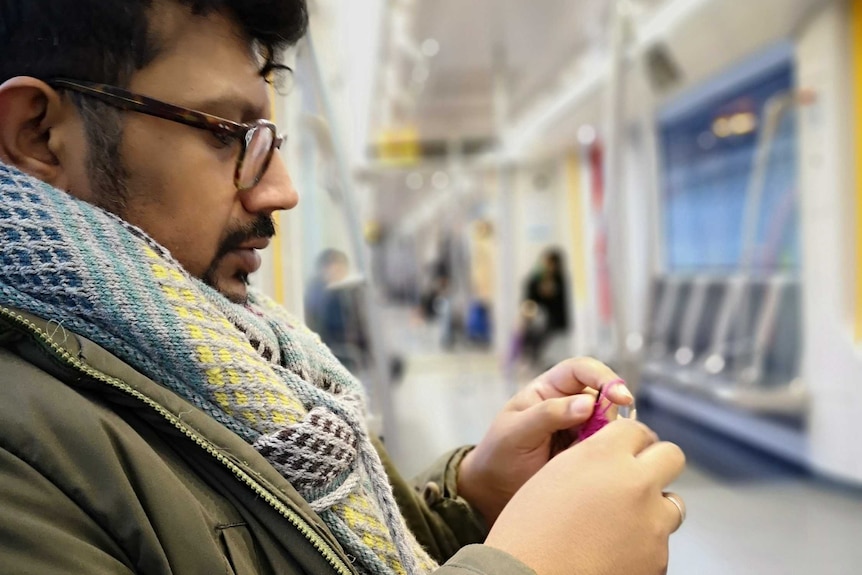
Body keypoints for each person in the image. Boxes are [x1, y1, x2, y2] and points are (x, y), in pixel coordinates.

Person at [0, 2, 686, 574]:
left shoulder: (248, 357)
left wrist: (475, 500)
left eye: (267, 138)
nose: (280, 189)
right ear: (40, 133)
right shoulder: (22, 461)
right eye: (226, 135)